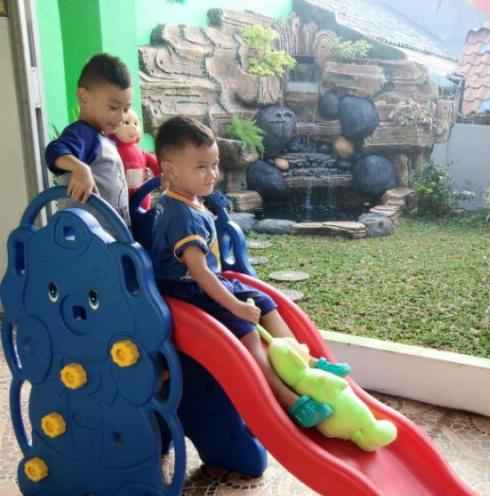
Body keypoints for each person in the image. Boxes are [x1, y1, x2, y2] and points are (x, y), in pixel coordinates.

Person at [150, 116, 349, 428]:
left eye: (214, 165)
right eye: (201, 167)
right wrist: (235, 306)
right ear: (171, 170)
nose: (212, 174)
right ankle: (290, 399)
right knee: (247, 332)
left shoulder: (187, 200)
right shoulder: (180, 216)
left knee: (266, 302)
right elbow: (200, 273)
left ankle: (304, 361)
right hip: (187, 289)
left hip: (209, 282)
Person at [45, 53, 132, 231]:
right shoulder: (82, 133)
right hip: (89, 239)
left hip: (110, 236)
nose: (120, 117)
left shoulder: (102, 138)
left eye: (125, 109)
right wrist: (80, 169)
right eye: (113, 107)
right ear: (83, 97)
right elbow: (54, 150)